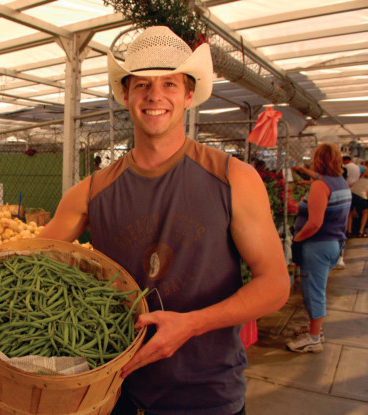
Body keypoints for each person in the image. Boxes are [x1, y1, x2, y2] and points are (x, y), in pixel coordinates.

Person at [31, 26, 287, 414]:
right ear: (125, 94)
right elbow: (27, 264)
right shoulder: (89, 192)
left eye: (170, 83)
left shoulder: (233, 178)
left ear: (188, 95)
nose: (155, 96)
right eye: (142, 85)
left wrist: (192, 324)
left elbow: (275, 285)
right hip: (113, 391)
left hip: (205, 395)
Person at [287, 143, 351, 353]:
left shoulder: (321, 186)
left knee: (313, 291)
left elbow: (315, 223)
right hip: (334, 244)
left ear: (318, 160)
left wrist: (297, 239)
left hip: (317, 247)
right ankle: (315, 328)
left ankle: (314, 339)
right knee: (318, 288)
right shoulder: (340, 182)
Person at [348, 168, 368, 237]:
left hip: (351, 194)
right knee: (365, 212)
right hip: (361, 196)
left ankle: (349, 231)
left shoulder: (360, 180)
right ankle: (361, 231)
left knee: (349, 213)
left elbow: (350, 185)